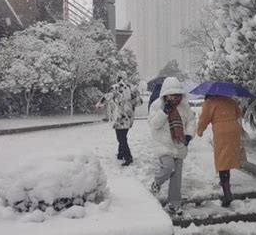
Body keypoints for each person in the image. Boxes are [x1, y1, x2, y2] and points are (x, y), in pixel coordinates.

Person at [148, 77, 196, 216]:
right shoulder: (157, 105)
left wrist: (188, 135)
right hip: (163, 143)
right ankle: (157, 182)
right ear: (164, 93)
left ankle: (174, 204)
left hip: (179, 144)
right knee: (168, 167)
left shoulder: (184, 105)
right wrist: (164, 112)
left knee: (177, 177)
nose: (173, 97)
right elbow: (154, 124)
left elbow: (191, 121)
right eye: (170, 94)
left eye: (175, 94)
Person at [196, 94, 243, 207]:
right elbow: (239, 113)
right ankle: (225, 182)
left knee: (222, 161)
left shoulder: (210, 102)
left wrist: (199, 131)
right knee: (228, 158)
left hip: (222, 131)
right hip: (234, 129)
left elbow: (204, 119)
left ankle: (227, 192)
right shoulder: (230, 99)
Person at [95, 71, 143, 166]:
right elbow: (139, 102)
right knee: (123, 136)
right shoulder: (132, 89)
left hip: (119, 117)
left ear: (118, 78)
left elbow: (106, 96)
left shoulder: (115, 87)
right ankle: (120, 154)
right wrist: (130, 101)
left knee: (121, 138)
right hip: (129, 118)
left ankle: (128, 157)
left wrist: (99, 104)